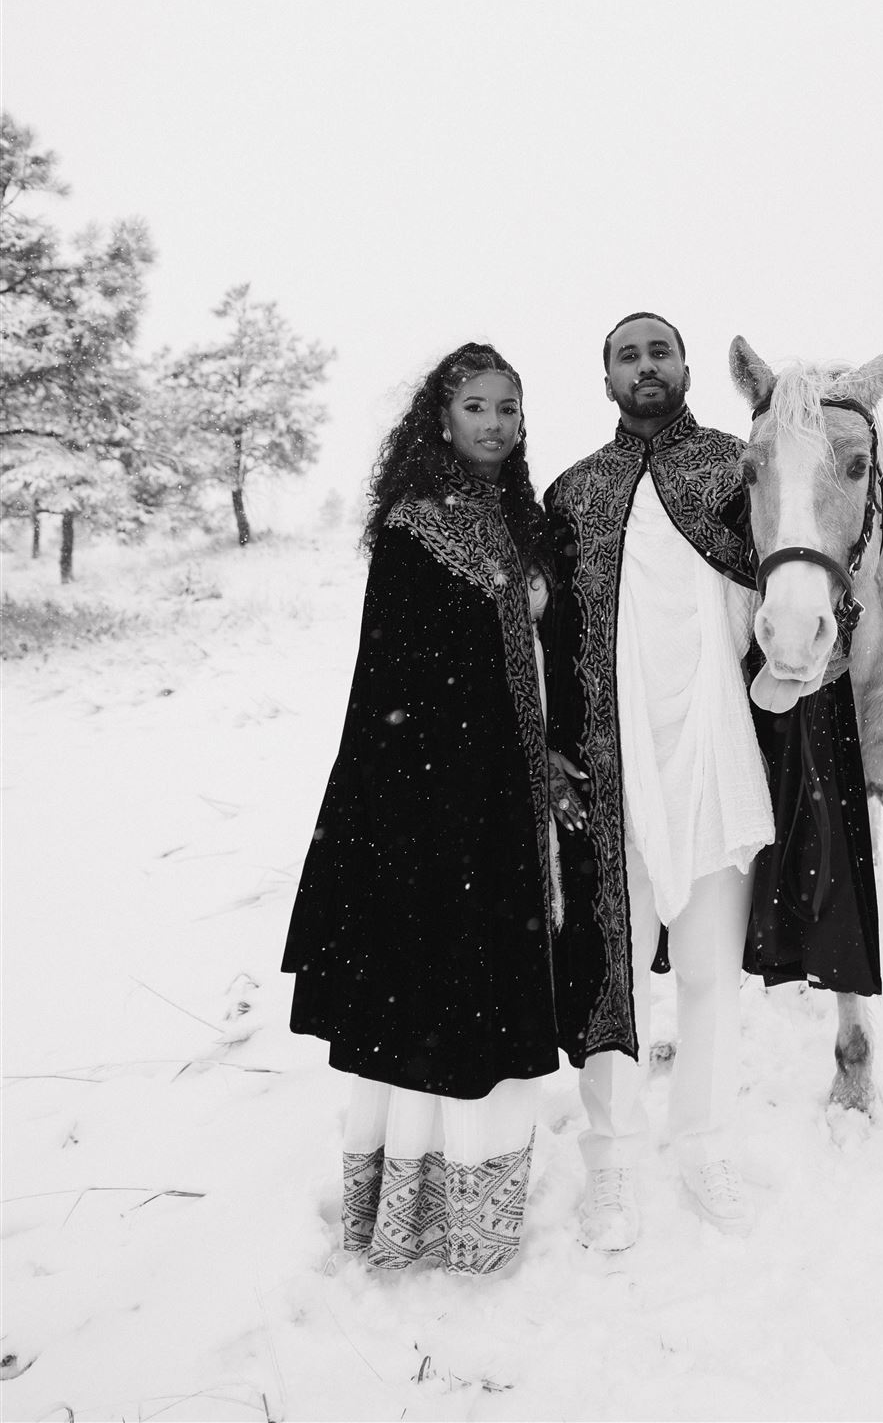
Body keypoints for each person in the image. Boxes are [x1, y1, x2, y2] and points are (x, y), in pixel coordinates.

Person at [282, 343, 571, 1275]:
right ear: (440, 419)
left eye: (509, 408)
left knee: (484, 997)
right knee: (437, 1001)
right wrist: (424, 813)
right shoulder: (417, 527)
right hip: (434, 807)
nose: (495, 423)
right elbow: (390, 685)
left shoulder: (515, 523)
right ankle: (415, 1219)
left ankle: (478, 1214)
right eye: (477, 406)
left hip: (504, 803)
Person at [545, 312, 774, 1249]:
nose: (644, 366)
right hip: (610, 771)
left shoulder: (734, 471)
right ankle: (611, 1164)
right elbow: (546, 638)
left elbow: (793, 584)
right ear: (604, 380)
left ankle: (705, 1143)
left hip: (717, 761)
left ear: (685, 368)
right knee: (615, 979)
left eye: (659, 352)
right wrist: (555, 748)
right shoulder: (574, 494)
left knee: (712, 975)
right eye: (625, 356)